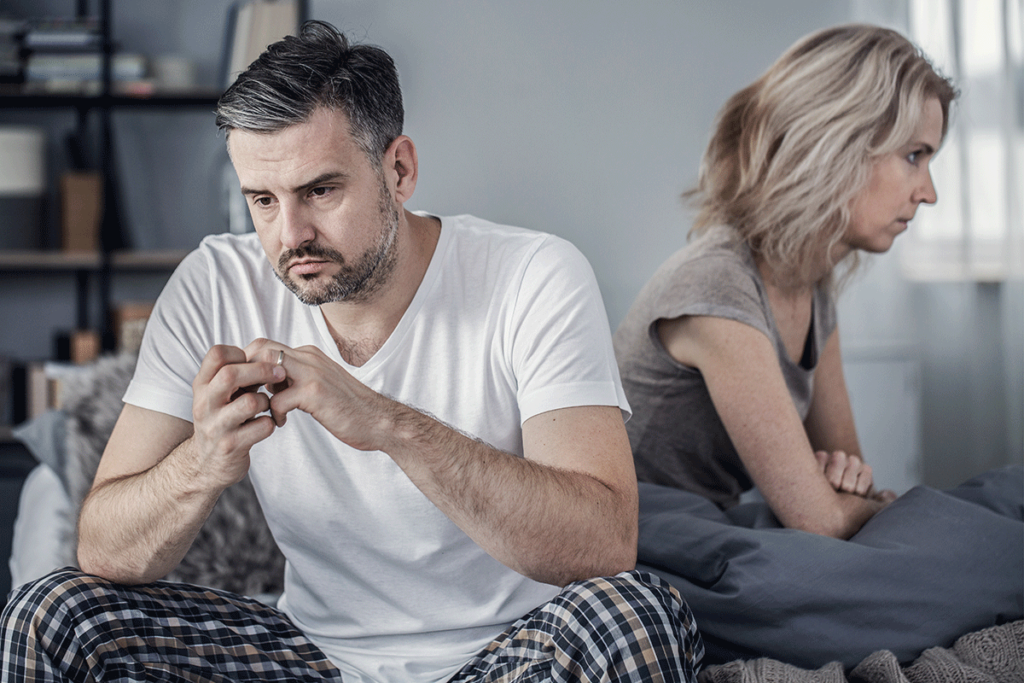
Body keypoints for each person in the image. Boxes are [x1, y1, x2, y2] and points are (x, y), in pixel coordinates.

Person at [0, 20, 703, 683]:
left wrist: (388, 425)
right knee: (55, 614)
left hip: (509, 652)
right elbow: (102, 548)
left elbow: (605, 542)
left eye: (321, 189)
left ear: (398, 170)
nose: (290, 234)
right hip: (310, 655)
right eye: (263, 201)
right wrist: (204, 461)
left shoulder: (534, 276)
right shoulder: (214, 283)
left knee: (633, 615)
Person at [614, 24, 958, 539]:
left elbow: (851, 487)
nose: (928, 193)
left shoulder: (814, 287)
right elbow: (822, 520)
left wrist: (855, 498)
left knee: (989, 508)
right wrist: (862, 505)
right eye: (914, 156)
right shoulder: (717, 286)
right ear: (836, 144)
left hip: (712, 531)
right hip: (648, 551)